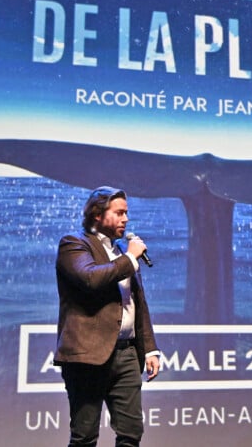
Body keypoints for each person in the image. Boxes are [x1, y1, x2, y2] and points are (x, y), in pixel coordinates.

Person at [54, 186, 161, 446]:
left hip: (125, 355)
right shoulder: (74, 244)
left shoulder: (122, 251)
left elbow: (137, 302)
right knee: (85, 436)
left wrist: (149, 349)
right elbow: (91, 278)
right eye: (119, 213)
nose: (126, 219)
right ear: (97, 215)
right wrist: (129, 258)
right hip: (87, 355)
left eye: (127, 213)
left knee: (131, 433)